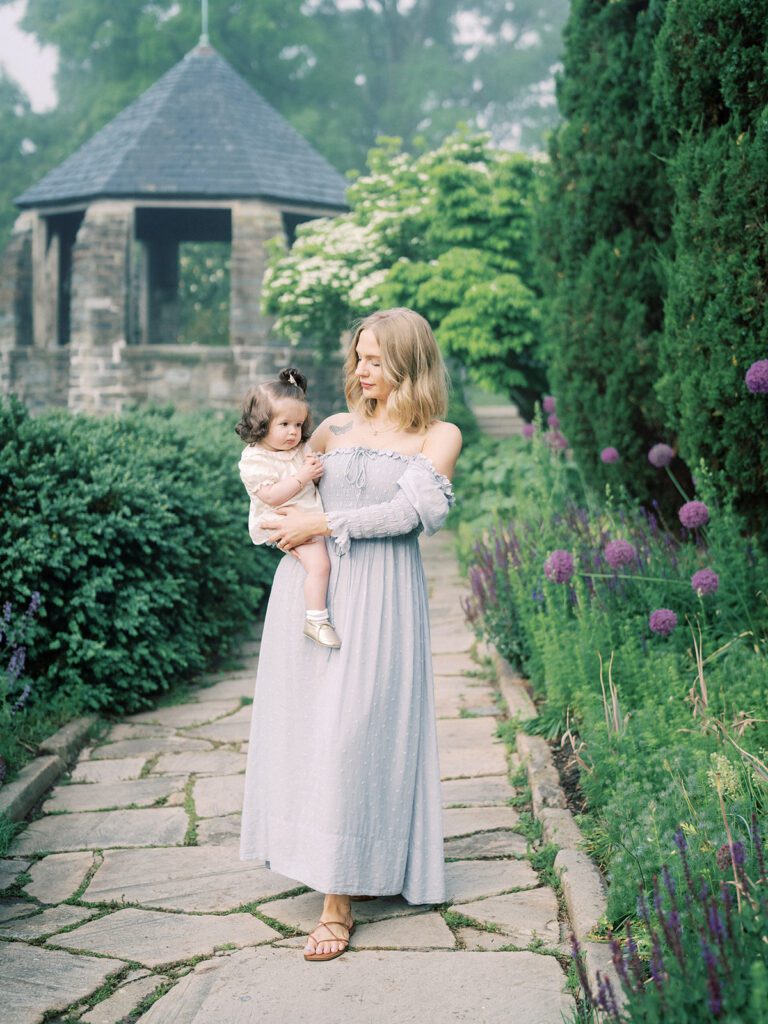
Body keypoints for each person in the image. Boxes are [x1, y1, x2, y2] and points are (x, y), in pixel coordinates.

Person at [239, 308, 462, 962]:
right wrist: (280, 517)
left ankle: (341, 900)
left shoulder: (438, 436)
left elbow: (413, 513)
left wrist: (326, 524)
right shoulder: (331, 428)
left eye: (374, 359)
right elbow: (278, 489)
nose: (360, 370)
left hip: (383, 598)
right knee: (310, 729)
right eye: (358, 356)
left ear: (409, 364)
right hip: (312, 593)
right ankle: (320, 865)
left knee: (355, 732)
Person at [236, 368, 341, 649]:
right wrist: (302, 477)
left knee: (323, 561)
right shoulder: (255, 460)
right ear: (261, 423)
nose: (293, 432)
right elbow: (271, 496)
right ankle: (316, 619)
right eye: (284, 425)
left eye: (298, 425)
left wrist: (314, 472)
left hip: (307, 513)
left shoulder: (299, 448)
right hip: (281, 518)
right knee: (320, 565)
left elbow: (313, 479)